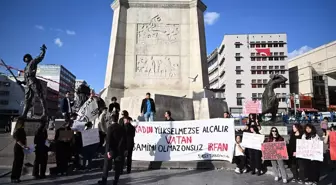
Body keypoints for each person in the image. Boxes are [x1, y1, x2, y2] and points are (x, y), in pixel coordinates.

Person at [17, 45, 48, 120]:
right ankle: (24, 114)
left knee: (40, 96)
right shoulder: (25, 68)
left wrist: (43, 51)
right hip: (28, 84)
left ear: (29, 57)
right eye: (24, 58)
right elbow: (26, 79)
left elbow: (40, 58)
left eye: (26, 57)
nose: (25, 59)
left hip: (33, 82)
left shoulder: (33, 62)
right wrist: (21, 82)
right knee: (27, 100)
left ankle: (45, 112)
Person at [98, 114, 126, 185]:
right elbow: (123, 140)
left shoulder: (110, 128)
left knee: (106, 165)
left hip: (111, 150)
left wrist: (108, 151)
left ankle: (104, 180)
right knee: (117, 166)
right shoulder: (121, 128)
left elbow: (108, 140)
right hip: (119, 150)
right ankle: (116, 181)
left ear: (111, 120)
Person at [11, 119, 29, 183]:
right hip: (18, 148)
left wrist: (26, 146)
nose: (24, 124)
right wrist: (23, 146)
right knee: (16, 163)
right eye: (23, 123)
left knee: (20, 163)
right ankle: (13, 177)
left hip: (22, 148)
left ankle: (18, 177)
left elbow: (25, 138)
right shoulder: (17, 130)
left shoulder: (22, 130)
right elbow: (18, 140)